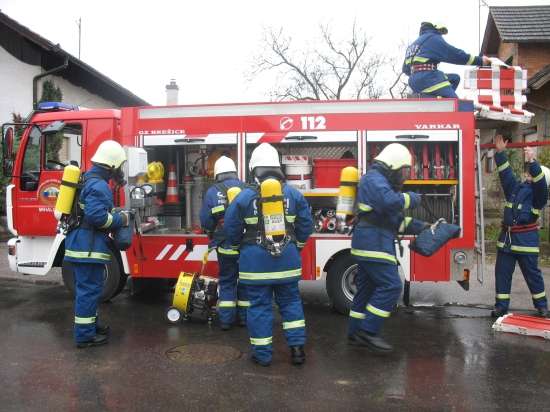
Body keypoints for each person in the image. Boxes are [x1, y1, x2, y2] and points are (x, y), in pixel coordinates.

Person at [224, 143, 313, 366]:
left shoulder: (244, 197)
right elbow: (306, 224)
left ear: (254, 169)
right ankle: (297, 351)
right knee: (291, 303)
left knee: (259, 308)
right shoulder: (294, 194)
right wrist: (297, 246)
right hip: (287, 261)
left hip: (255, 265)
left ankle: (263, 356)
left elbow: (231, 226)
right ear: (277, 167)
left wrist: (237, 247)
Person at [348, 143, 429, 353]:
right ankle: (368, 331)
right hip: (374, 244)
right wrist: (411, 198)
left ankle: (355, 332)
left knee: (365, 290)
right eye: (404, 171)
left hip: (371, 242)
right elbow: (388, 202)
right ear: (393, 165)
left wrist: (423, 227)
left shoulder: (381, 182)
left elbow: (395, 221)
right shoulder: (373, 179)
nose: (404, 177)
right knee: (392, 286)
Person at [64, 140, 129, 348]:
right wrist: (121, 219)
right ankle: (85, 336)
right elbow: (97, 218)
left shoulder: (88, 179)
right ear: (111, 165)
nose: (120, 170)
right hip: (88, 247)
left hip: (83, 244)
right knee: (88, 291)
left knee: (90, 289)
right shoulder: (99, 185)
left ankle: (91, 325)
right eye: (119, 166)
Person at [492, 135, 550, 318]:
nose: (527, 175)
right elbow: (506, 174)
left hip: (526, 242)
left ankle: (542, 306)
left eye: (531, 174)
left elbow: (540, 184)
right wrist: (500, 153)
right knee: (502, 275)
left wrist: (533, 161)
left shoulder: (539, 196)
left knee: (533, 276)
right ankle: (501, 306)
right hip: (507, 241)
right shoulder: (516, 188)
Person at [200, 156, 247, 330]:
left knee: (227, 281)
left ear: (217, 173)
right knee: (245, 281)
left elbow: (206, 220)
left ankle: (226, 321)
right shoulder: (247, 188)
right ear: (234, 171)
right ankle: (244, 319)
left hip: (224, 244)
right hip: (244, 245)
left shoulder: (212, 192)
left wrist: (211, 232)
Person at [402, 22, 491, 98]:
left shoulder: (412, 46)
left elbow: (405, 69)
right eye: (441, 32)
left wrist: (418, 74)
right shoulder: (433, 39)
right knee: (454, 102)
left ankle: (431, 98)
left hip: (413, 82)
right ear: (435, 29)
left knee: (455, 78)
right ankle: (436, 99)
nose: (441, 35)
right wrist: (480, 60)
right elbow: (455, 55)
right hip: (429, 78)